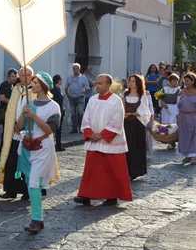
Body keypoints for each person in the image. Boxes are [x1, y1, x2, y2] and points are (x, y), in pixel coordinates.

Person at [74, 74, 133, 207]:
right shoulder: (93, 100)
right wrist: (89, 133)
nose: (97, 86)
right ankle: (86, 195)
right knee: (91, 170)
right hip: (94, 140)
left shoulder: (116, 101)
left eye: (100, 83)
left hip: (110, 142)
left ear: (108, 85)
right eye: (97, 83)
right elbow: (86, 117)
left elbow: (117, 120)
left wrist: (101, 135)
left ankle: (111, 196)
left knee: (111, 170)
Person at [15, 72, 60, 234]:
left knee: (34, 183)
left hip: (42, 148)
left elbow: (49, 130)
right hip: (27, 148)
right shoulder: (29, 102)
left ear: (43, 86)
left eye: (35, 82)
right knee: (29, 183)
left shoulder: (53, 106)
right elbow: (19, 127)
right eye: (32, 82)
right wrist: (23, 113)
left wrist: (33, 116)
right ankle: (39, 219)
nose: (32, 85)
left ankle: (35, 220)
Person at [0, 66, 35, 200]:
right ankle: (11, 190)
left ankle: (26, 191)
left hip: (27, 131)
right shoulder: (16, 89)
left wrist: (24, 126)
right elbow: (11, 110)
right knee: (12, 161)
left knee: (26, 162)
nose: (25, 77)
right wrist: (13, 124)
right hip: (14, 131)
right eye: (22, 75)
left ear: (32, 76)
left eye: (28, 75)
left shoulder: (34, 91)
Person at [123, 74, 152, 180]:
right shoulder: (124, 95)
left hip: (137, 125)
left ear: (138, 83)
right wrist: (124, 114)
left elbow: (145, 112)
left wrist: (132, 114)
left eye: (133, 81)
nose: (131, 83)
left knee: (137, 147)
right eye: (130, 81)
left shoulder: (142, 96)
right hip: (126, 124)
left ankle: (136, 171)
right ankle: (126, 170)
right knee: (127, 147)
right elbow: (121, 108)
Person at [0, 68, 18, 155]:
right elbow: (2, 98)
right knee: (6, 133)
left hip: (12, 112)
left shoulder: (14, 85)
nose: (14, 78)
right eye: (12, 76)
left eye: (15, 76)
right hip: (5, 111)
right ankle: (2, 152)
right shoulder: (4, 85)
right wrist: (12, 103)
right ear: (8, 76)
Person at [65, 63, 90, 133]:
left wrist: (83, 93)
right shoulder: (69, 78)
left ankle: (81, 127)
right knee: (72, 113)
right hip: (72, 97)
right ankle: (74, 128)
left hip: (80, 98)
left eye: (77, 68)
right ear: (72, 69)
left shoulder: (83, 78)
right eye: (74, 68)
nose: (75, 70)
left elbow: (87, 88)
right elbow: (66, 87)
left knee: (80, 113)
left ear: (79, 69)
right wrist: (67, 95)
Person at [178, 72, 196, 165]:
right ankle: (187, 155)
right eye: (185, 81)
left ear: (193, 81)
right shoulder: (182, 92)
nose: (186, 83)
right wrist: (177, 117)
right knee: (184, 136)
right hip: (183, 117)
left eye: (188, 81)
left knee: (194, 136)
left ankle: (194, 156)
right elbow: (178, 105)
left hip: (193, 117)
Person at [160, 74, 180, 150]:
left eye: (177, 81)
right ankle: (168, 141)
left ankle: (172, 141)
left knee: (173, 125)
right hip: (165, 109)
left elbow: (179, 102)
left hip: (174, 108)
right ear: (170, 81)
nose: (175, 82)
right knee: (166, 124)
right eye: (174, 80)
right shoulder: (164, 89)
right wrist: (162, 103)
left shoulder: (178, 91)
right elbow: (160, 98)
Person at [51, 74, 65, 152]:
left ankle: (59, 145)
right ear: (58, 80)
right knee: (55, 129)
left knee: (59, 129)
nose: (61, 81)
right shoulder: (53, 90)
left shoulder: (58, 89)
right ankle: (55, 145)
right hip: (55, 112)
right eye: (61, 79)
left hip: (61, 111)